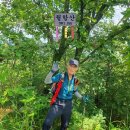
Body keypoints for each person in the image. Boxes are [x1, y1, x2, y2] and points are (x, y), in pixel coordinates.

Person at [42, 59, 88, 130]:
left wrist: (82, 98)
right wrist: (52, 71)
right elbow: (46, 81)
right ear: (67, 66)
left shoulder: (75, 80)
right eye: (71, 66)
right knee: (47, 123)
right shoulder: (61, 76)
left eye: (74, 67)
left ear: (77, 69)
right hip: (57, 103)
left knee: (65, 126)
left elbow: (75, 91)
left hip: (68, 105)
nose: (72, 68)